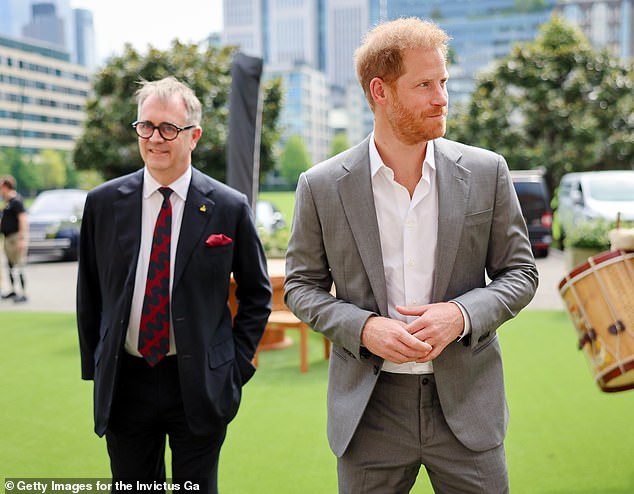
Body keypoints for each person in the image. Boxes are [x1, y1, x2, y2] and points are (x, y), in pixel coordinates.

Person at [284, 18, 538, 493]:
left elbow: (520, 273)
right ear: (380, 91)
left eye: (443, 81)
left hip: (467, 405)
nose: (441, 97)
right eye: (424, 84)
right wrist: (364, 328)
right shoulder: (320, 186)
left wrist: (460, 315)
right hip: (369, 410)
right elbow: (301, 287)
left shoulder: (488, 171)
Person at [76, 76, 272, 494]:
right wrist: (96, 364)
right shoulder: (103, 204)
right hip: (126, 381)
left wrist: (233, 366)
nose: (155, 138)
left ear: (194, 136)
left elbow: (257, 295)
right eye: (146, 126)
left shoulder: (229, 207)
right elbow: (89, 293)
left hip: (199, 381)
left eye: (169, 128)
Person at [0, 175, 28, 303]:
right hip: (7, 237)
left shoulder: (16, 201)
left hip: (16, 237)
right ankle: (13, 290)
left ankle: (23, 293)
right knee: (10, 265)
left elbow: (23, 219)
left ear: (6, 186)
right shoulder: (7, 202)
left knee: (19, 265)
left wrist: (22, 239)